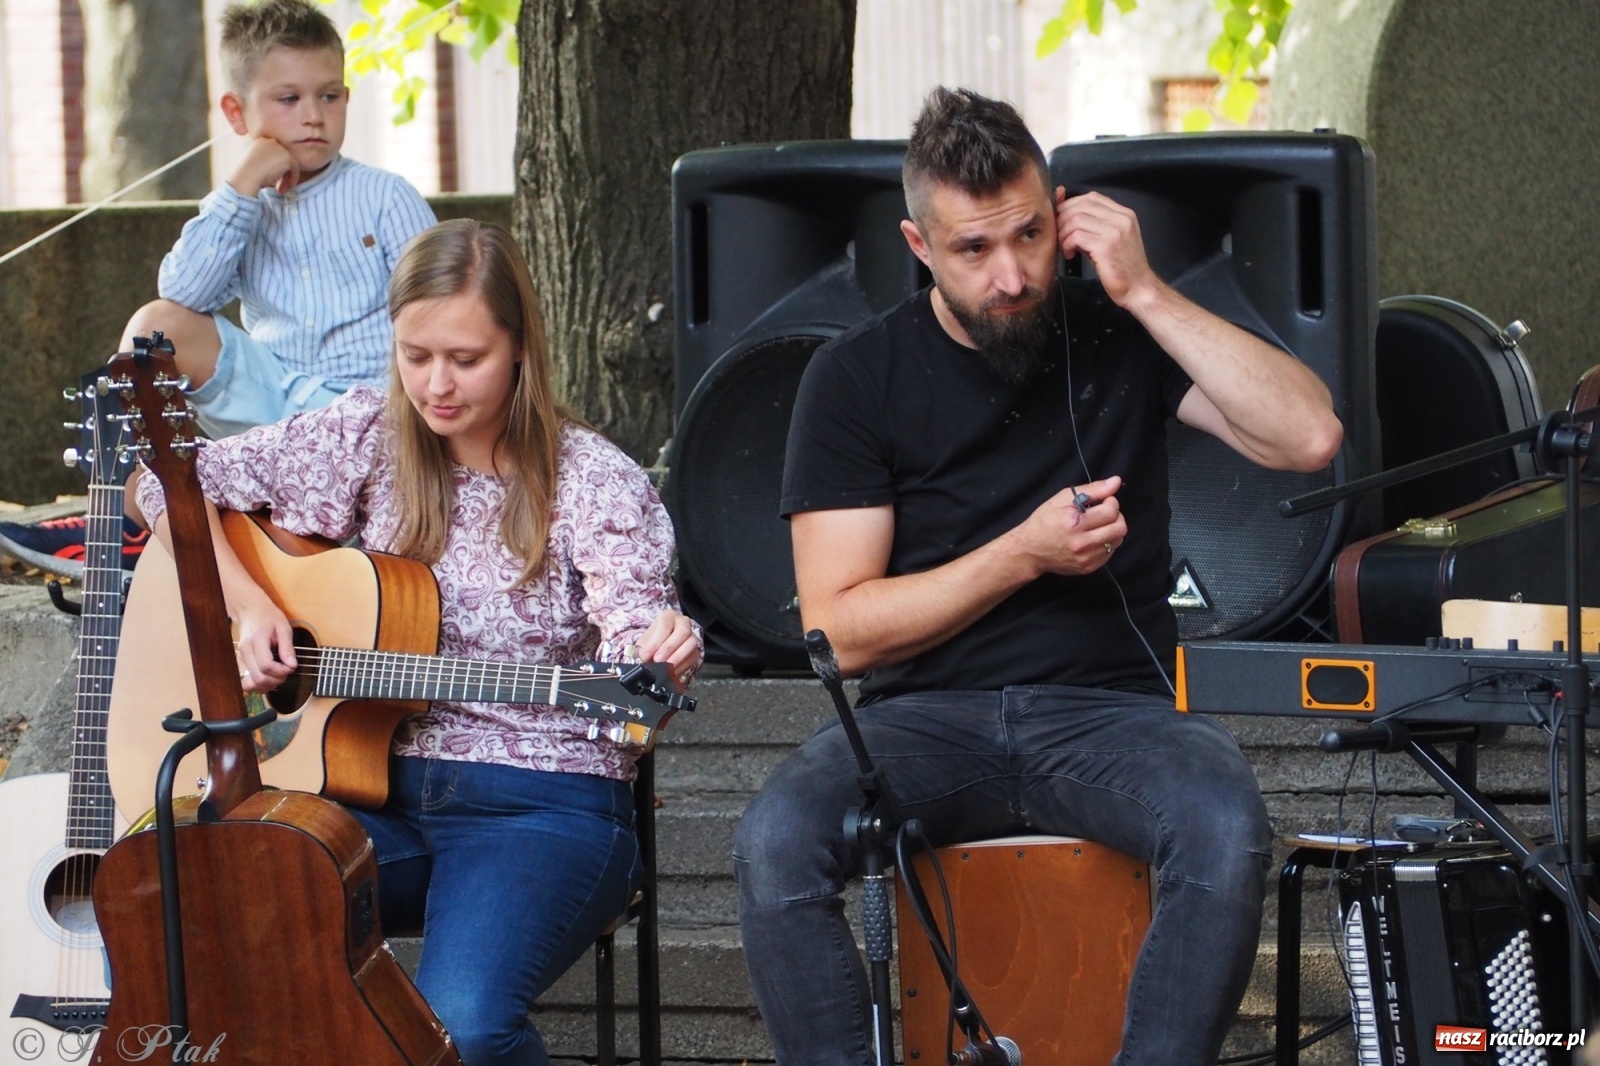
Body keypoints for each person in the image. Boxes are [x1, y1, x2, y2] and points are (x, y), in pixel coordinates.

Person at [732, 87, 1344, 1066]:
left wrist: (1145, 288)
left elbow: (1309, 436)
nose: (1012, 275)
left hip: (1109, 712)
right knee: (774, 844)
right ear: (918, 244)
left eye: (1027, 234)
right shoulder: (854, 375)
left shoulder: (1117, 326)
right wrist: (1021, 554)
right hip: (919, 720)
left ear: (1060, 213)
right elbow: (837, 631)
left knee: (1223, 825)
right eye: (974, 250)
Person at [132, 218, 703, 1066]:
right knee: (163, 886)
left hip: (541, 807)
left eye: (465, 359)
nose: (436, 384)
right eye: (414, 354)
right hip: (363, 787)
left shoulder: (592, 480)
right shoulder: (363, 436)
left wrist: (658, 647)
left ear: (520, 349)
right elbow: (164, 480)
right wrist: (249, 606)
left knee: (463, 1033)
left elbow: (633, 640)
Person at [0, 0, 435, 570]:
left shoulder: (385, 196)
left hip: (367, 416)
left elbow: (435, 312)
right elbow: (183, 292)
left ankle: (157, 521)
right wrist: (244, 184)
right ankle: (129, 518)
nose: (313, 116)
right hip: (272, 401)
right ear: (237, 112)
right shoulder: (238, 205)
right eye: (288, 99)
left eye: (330, 96)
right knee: (157, 326)